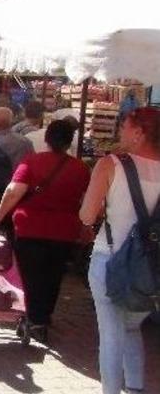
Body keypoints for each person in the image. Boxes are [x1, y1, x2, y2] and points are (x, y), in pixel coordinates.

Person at [79, 107, 160, 394]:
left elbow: (87, 216)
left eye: (124, 126)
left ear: (139, 132)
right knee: (132, 328)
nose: (119, 132)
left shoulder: (111, 164)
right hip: (151, 269)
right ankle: (136, 389)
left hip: (110, 260)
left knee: (111, 335)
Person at [0, 120, 90, 343]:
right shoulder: (81, 168)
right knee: (54, 275)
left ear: (47, 139)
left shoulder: (32, 162)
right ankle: (43, 316)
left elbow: (14, 190)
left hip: (30, 227)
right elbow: (87, 201)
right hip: (64, 230)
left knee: (30, 274)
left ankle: (33, 316)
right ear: (69, 141)